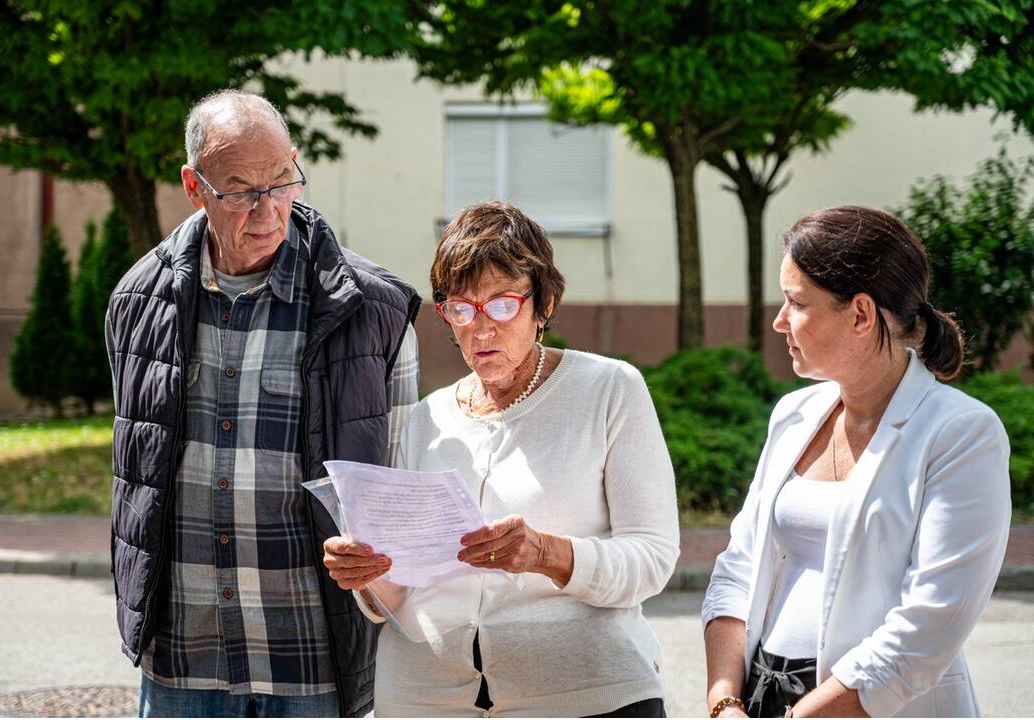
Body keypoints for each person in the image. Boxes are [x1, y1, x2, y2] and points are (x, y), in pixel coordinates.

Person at [105, 90, 421, 718]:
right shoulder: (137, 302)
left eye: (281, 182)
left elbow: (401, 490)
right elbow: (138, 476)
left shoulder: (375, 312)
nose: (266, 208)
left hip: (311, 660)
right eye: (240, 190)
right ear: (195, 188)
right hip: (181, 661)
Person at [322, 200, 681, 717]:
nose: (480, 329)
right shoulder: (427, 419)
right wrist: (368, 573)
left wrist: (547, 553)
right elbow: (398, 598)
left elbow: (652, 558)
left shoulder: (608, 389)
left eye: (502, 304)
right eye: (461, 309)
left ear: (545, 304)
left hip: (581, 695)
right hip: (427, 699)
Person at [702, 206, 1011, 718]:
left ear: (861, 315)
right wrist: (725, 702)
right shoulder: (793, 414)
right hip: (758, 699)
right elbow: (737, 570)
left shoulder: (961, 434)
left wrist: (801, 716)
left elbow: (930, 621)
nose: (779, 321)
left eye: (796, 302)